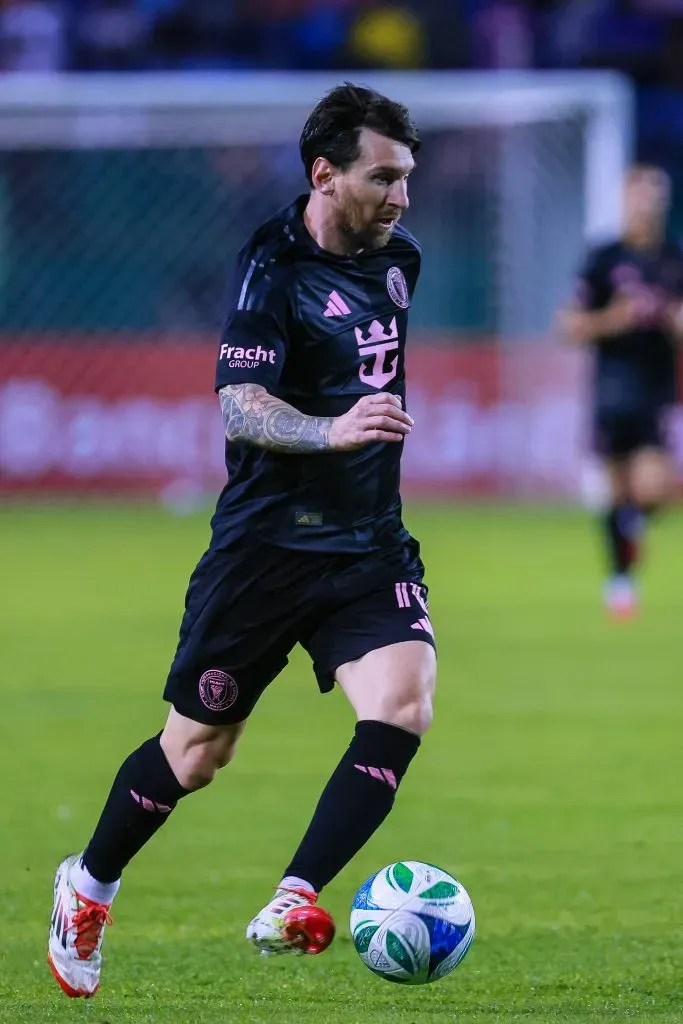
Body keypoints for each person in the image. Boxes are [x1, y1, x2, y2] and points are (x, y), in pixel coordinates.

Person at [48, 83, 437, 999]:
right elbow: (242, 404)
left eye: (408, 178)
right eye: (383, 178)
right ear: (324, 174)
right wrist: (330, 430)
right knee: (196, 754)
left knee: (404, 703)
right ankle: (88, 883)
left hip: (367, 543)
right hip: (265, 549)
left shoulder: (398, 259)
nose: (401, 198)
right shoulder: (270, 266)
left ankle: (294, 896)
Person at [559, 165, 683, 618]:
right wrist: (615, 319)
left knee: (652, 491)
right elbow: (569, 326)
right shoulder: (604, 258)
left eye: (655, 197)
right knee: (615, 493)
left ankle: (632, 527)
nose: (646, 205)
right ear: (626, 201)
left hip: (656, 390)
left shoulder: (674, 260)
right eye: (639, 196)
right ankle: (620, 582)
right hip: (611, 389)